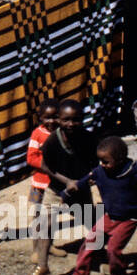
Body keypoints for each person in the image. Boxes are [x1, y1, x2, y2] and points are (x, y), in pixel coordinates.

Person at [60, 136, 137, 275]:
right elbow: (82, 183)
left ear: (119, 160)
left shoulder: (132, 174)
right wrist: (66, 195)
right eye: (100, 161)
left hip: (127, 219)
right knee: (90, 242)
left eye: (106, 161)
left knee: (113, 249)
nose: (102, 165)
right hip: (108, 216)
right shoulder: (100, 172)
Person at [38, 99, 98, 255]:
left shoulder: (88, 139)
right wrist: (67, 181)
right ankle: (42, 265)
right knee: (46, 223)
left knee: (92, 223)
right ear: (59, 119)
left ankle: (100, 255)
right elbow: (45, 166)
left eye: (76, 120)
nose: (71, 124)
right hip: (56, 189)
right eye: (66, 120)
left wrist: (90, 179)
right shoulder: (52, 141)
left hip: (80, 190)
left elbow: (95, 164)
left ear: (82, 119)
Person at [23, 98, 60, 275]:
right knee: (38, 219)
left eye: (55, 117)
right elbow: (31, 158)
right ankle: (36, 251)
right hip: (40, 183)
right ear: (40, 118)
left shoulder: (61, 134)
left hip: (55, 185)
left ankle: (48, 246)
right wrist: (47, 166)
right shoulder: (38, 134)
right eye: (47, 117)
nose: (52, 121)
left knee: (51, 219)